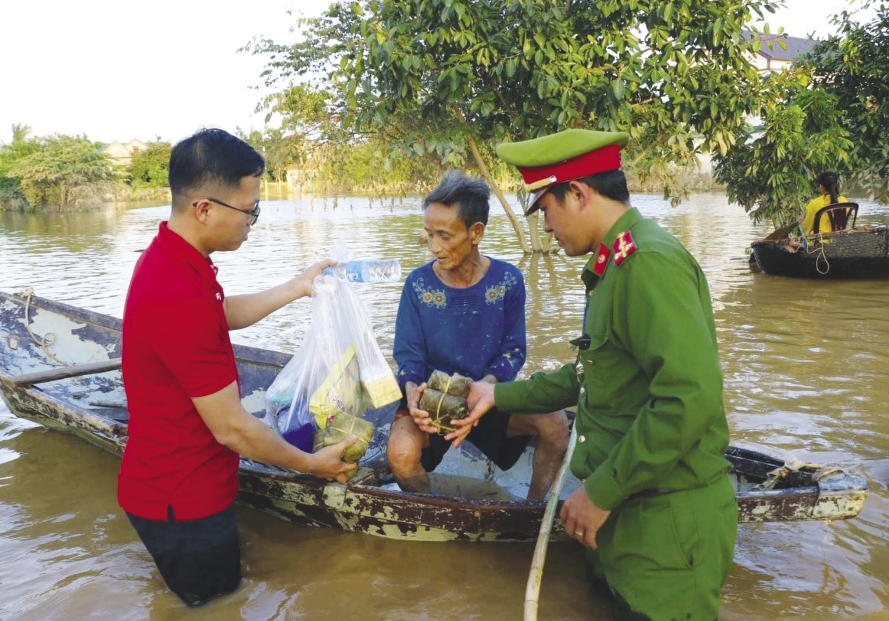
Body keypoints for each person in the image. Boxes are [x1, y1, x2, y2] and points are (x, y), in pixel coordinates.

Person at [463, 129, 737, 620]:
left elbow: (688, 399)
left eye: (546, 209)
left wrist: (600, 491)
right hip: (627, 514)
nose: (546, 226)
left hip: (664, 525)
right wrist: (497, 395)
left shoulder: (648, 264)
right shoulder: (613, 264)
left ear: (578, 193)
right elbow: (588, 375)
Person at [118, 128, 358, 607]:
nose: (253, 222)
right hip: (182, 499)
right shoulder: (177, 291)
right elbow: (233, 429)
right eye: (250, 210)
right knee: (213, 605)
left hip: (176, 482)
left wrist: (298, 286)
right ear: (204, 209)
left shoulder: (174, 257)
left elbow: (220, 313)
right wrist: (311, 464)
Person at [388, 170, 569, 502]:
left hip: (488, 394)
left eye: (444, 236)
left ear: (476, 232)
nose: (434, 247)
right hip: (432, 402)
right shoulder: (418, 284)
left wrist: (483, 389)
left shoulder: (507, 280)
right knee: (400, 454)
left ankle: (531, 511)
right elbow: (408, 355)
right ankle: (434, 510)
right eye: (429, 235)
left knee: (556, 425)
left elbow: (513, 353)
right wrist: (412, 393)